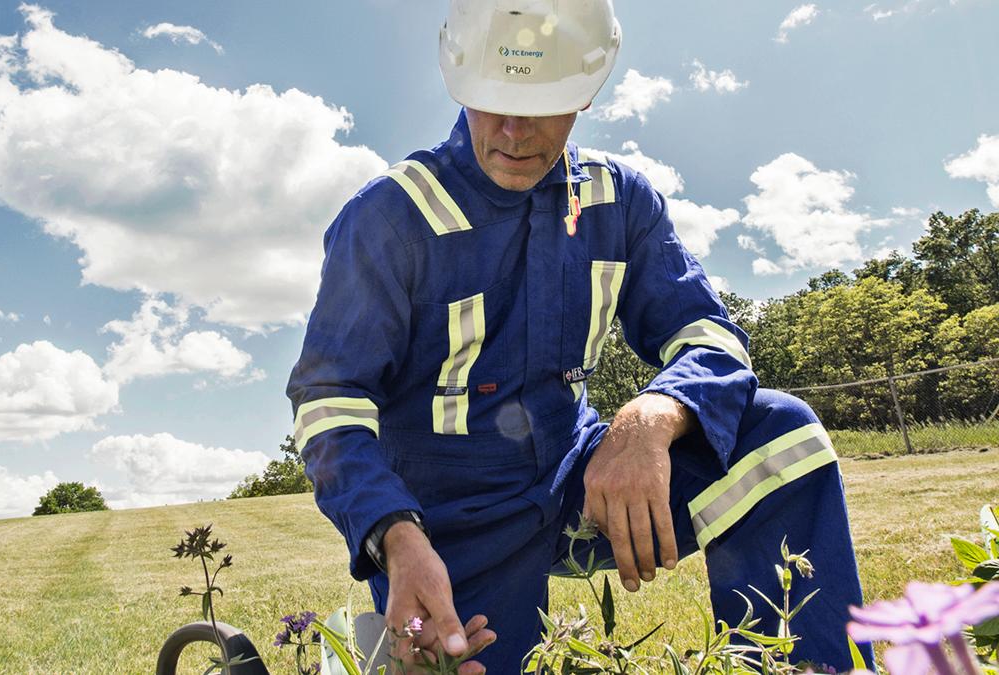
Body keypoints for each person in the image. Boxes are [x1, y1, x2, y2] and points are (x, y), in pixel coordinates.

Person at [287, 1, 874, 672]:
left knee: (783, 436)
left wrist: (649, 420)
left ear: (587, 92)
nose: (513, 130)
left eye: (542, 103)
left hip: (583, 486)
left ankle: (803, 665)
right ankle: (374, 648)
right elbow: (329, 405)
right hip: (446, 533)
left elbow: (711, 334)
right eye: (492, 101)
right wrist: (395, 536)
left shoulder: (620, 201)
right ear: (459, 80)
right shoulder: (388, 219)